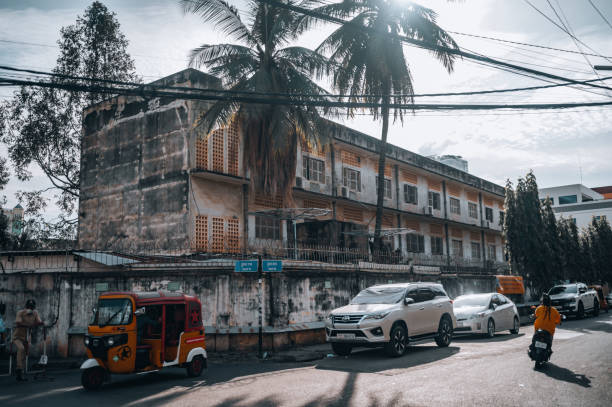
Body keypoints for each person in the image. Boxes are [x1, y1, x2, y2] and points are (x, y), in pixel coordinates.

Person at [13, 299, 43, 381]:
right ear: (26, 307)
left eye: (32, 307)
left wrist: (36, 322)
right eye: (29, 306)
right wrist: (29, 324)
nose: (30, 308)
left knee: (25, 355)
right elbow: (18, 323)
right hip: (18, 337)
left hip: (26, 337)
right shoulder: (20, 313)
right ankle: (19, 369)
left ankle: (20, 374)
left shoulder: (35, 313)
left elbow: (39, 322)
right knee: (21, 349)